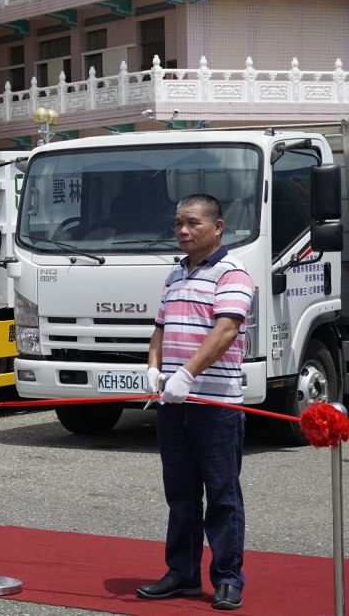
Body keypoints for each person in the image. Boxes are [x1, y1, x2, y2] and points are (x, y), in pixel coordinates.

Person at [139, 194, 254, 611]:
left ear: (218, 227)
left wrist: (186, 374)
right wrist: (154, 369)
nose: (183, 231)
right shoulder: (174, 275)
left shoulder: (233, 274)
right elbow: (159, 329)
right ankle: (182, 574)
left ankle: (227, 577)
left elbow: (225, 331)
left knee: (223, 494)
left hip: (216, 404)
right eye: (177, 224)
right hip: (173, 403)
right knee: (181, 494)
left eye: (192, 224)